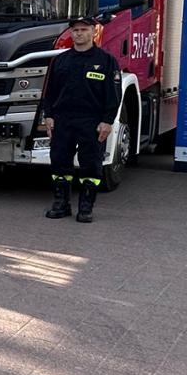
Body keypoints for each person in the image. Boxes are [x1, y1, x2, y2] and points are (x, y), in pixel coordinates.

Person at [40, 15, 121, 223]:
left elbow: (113, 95)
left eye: (84, 29)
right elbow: (49, 93)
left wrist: (107, 121)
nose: (79, 33)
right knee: (59, 163)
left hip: (92, 122)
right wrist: (48, 116)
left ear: (94, 32)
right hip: (62, 120)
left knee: (91, 165)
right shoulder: (60, 61)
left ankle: (86, 207)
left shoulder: (106, 61)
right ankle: (61, 204)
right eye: (75, 30)